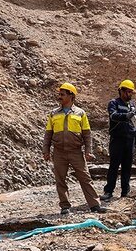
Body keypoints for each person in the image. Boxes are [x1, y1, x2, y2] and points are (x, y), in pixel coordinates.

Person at [42, 82, 106, 215]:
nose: (59, 96)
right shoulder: (53, 114)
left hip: (76, 152)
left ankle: (95, 205)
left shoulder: (81, 113)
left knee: (85, 178)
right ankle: (65, 207)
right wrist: (46, 150)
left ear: (71, 96)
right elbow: (48, 134)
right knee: (60, 179)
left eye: (62, 94)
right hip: (59, 152)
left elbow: (87, 134)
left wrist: (88, 151)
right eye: (59, 94)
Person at [101, 79, 136, 201]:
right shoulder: (114, 103)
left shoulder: (132, 105)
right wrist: (125, 116)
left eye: (131, 92)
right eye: (127, 92)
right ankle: (108, 191)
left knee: (127, 167)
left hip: (129, 139)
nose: (129, 94)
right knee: (114, 166)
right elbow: (113, 116)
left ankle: (125, 192)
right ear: (121, 91)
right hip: (117, 139)